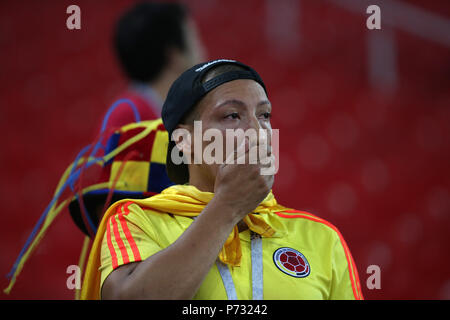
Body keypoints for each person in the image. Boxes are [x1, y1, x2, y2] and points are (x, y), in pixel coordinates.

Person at [80, 59, 364, 300]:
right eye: (231, 115)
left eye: (264, 114)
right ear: (184, 141)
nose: (257, 130)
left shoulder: (322, 237)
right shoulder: (135, 219)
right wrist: (228, 205)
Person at [98, 1, 206, 130]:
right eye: (194, 39)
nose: (202, 49)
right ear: (174, 55)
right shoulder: (128, 117)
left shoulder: (181, 111)